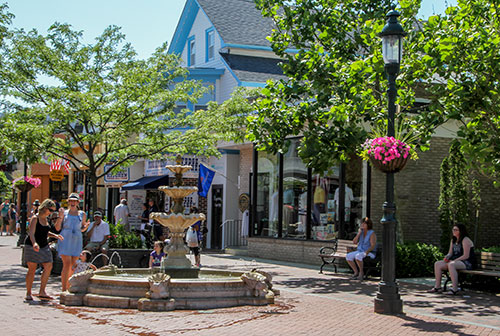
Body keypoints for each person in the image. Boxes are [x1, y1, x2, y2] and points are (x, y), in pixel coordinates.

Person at [24, 199, 64, 301]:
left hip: (43, 245)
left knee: (48, 265)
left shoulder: (46, 219)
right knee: (32, 269)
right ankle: (28, 293)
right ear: (45, 208)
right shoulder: (35, 218)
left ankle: (42, 291)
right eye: (50, 210)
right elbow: (31, 233)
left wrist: (55, 235)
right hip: (32, 245)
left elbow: (45, 232)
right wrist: (34, 243)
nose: (51, 213)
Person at [55, 193, 89, 292]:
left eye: (75, 201)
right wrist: (60, 217)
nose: (72, 202)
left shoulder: (82, 214)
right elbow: (57, 228)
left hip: (77, 240)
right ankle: (64, 288)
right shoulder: (64, 213)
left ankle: (70, 286)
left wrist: (86, 227)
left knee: (74, 264)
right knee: (67, 263)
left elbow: (82, 228)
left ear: (78, 202)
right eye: (71, 201)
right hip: (65, 239)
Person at [429, 224, 476, 295]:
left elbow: (466, 256)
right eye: (453, 229)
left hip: (467, 262)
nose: (453, 231)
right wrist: (447, 257)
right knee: (437, 264)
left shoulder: (465, 240)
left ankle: (455, 289)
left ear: (461, 231)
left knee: (451, 265)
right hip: (456, 261)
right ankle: (437, 287)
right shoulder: (453, 240)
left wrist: (454, 261)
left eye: (456, 230)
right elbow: (450, 253)